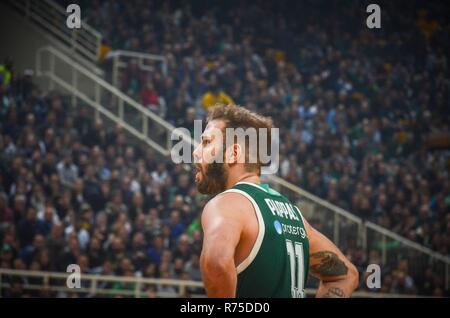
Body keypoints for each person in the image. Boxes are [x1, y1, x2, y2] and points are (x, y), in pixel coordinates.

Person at [193, 104, 359, 298]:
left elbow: (216, 263)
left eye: (206, 142)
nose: (196, 151)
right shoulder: (295, 216)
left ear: (234, 154)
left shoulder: (226, 205)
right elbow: (347, 275)